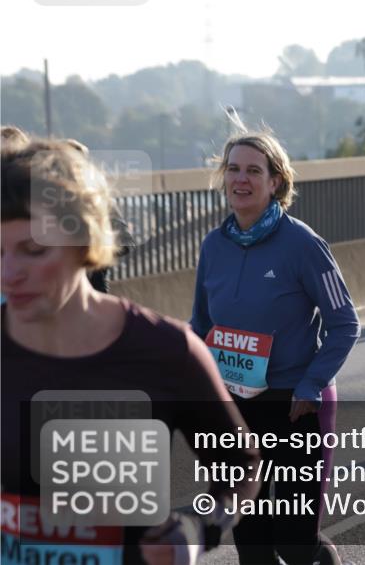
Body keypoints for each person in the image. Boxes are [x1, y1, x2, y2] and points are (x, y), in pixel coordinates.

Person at [2, 141, 260, 565]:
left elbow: (241, 464)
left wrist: (198, 527)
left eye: (33, 251)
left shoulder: (166, 350)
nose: (8, 274)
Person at [190, 131, 360, 565]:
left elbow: (345, 323)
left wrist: (311, 385)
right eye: (232, 169)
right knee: (253, 545)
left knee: (296, 541)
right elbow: (201, 326)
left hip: (296, 405)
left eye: (253, 171)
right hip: (238, 410)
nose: (240, 180)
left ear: (276, 182)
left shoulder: (303, 244)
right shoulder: (213, 246)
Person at [61, 138, 137, 293]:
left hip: (92, 291)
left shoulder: (99, 200)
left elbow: (124, 242)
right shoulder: (42, 202)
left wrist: (91, 250)